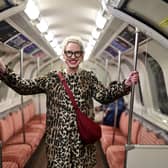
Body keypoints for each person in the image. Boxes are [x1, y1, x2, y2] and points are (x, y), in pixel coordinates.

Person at [0, 36, 139, 168]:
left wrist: (125, 85)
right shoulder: (52, 78)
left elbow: (103, 96)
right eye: (69, 53)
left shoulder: (88, 77)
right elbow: (24, 87)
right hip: (58, 143)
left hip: (82, 142)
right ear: (64, 55)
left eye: (77, 53)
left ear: (82, 56)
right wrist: (4, 71)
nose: (73, 57)